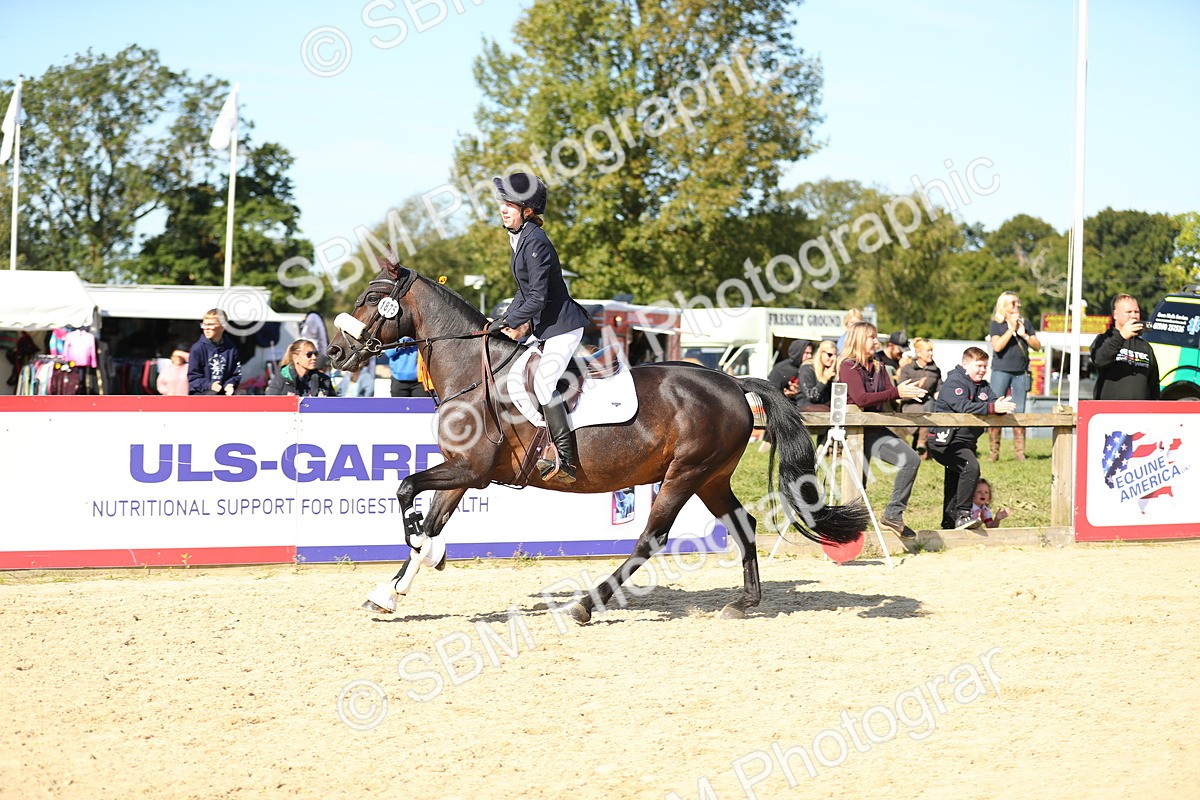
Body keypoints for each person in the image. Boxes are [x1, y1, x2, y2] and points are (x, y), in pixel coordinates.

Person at [487, 172, 591, 484]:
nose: (503, 209)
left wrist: (509, 321)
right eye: (503, 203)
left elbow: (537, 297)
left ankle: (566, 459)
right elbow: (524, 291)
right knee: (516, 376)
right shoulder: (520, 238)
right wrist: (503, 320)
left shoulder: (536, 242)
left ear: (527, 210)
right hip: (546, 328)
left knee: (544, 384)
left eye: (509, 205)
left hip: (563, 327)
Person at [838, 322, 927, 540]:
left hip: (876, 429)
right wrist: (897, 392)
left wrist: (907, 391)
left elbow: (889, 393)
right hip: (855, 433)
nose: (876, 342)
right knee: (858, 486)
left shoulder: (879, 366)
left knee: (911, 459)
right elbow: (861, 398)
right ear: (860, 339)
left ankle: (893, 515)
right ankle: (848, 534)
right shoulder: (848, 366)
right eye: (872, 337)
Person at [926, 347, 1017, 530]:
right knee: (970, 467)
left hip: (966, 442)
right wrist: (992, 408)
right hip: (946, 441)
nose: (983, 370)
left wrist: (1001, 407)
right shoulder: (954, 382)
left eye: (985, 366)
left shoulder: (983, 386)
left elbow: (993, 403)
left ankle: (949, 524)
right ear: (965, 364)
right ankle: (963, 515)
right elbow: (963, 406)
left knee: (955, 481)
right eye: (979, 365)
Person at [987, 291, 1041, 461]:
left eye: (1018, 302)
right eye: (1013, 303)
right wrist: (1011, 330)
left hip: (1020, 373)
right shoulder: (996, 324)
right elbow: (997, 346)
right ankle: (993, 452)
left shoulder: (1026, 323)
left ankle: (1019, 453)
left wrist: (1024, 334)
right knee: (996, 409)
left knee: (1020, 411)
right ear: (1003, 305)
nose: (1017, 305)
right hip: (1000, 371)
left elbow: (1037, 346)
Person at [1090, 294, 1160, 400]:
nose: (1133, 316)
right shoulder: (1104, 339)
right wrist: (1121, 336)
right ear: (1115, 314)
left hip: (1140, 409)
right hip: (1109, 408)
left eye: (1136, 312)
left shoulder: (1145, 347)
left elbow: (1154, 384)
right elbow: (1099, 360)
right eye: (1128, 312)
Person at [896, 337, 942, 456]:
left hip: (928, 403)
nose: (931, 353)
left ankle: (921, 444)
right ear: (919, 353)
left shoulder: (935, 370)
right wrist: (917, 386)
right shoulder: (907, 369)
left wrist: (940, 394)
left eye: (931, 351)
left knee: (930, 407)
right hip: (910, 403)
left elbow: (938, 389)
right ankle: (921, 443)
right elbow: (901, 392)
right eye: (928, 351)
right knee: (926, 410)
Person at [188, 309, 241, 395]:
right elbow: (193, 377)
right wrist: (210, 385)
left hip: (222, 395)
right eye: (204, 324)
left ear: (223, 326)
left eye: (211, 324)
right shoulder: (197, 348)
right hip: (201, 395)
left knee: (242, 394)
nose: (206, 328)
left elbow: (235, 374)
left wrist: (230, 385)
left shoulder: (231, 349)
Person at [266, 339, 336, 397]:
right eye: (309, 354)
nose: (314, 357)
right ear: (295, 358)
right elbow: (268, 404)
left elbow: (335, 406)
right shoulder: (281, 379)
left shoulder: (324, 380)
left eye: (316, 354)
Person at [796, 339, 836, 411]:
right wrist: (824, 380)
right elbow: (811, 397)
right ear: (821, 354)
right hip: (806, 409)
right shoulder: (807, 368)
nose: (833, 359)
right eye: (829, 355)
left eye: (835, 356)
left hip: (824, 409)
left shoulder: (830, 370)